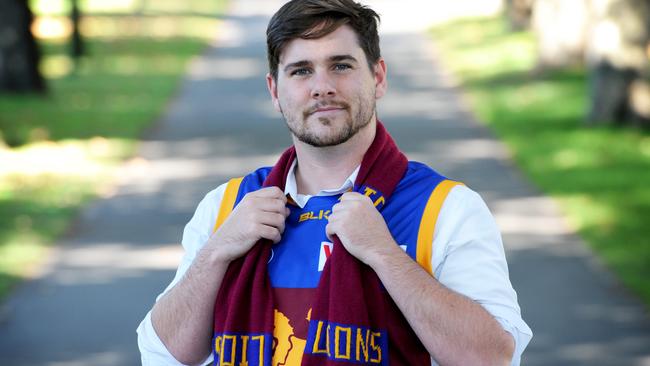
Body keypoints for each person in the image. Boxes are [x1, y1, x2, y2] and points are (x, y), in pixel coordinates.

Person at [137, 0, 532, 365]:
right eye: (301, 70)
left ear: (378, 77)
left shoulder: (445, 207)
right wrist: (218, 250)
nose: (321, 86)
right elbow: (164, 353)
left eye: (341, 65)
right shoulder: (227, 206)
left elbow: (493, 357)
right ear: (275, 91)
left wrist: (385, 255)